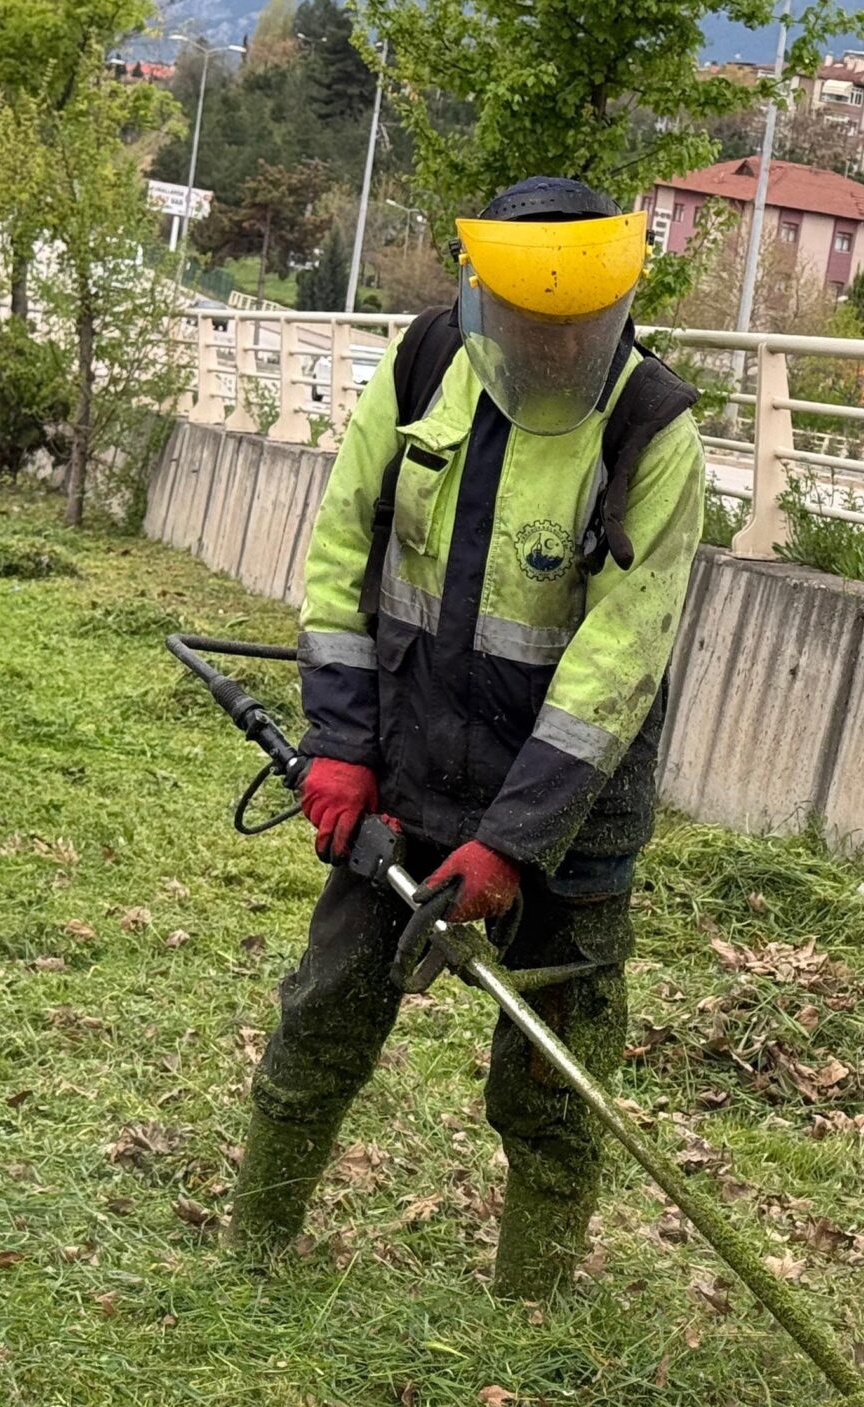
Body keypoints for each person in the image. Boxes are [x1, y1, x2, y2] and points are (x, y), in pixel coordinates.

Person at [230, 178, 705, 1295]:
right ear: (485, 297)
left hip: (568, 820)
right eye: (531, 322)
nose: (550, 344)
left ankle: (528, 1311)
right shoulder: (419, 370)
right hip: (404, 769)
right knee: (321, 1028)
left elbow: (613, 668)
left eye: (574, 328)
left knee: (552, 1087)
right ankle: (250, 1254)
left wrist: (513, 844)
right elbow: (342, 557)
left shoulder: (650, 429)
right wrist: (340, 746)